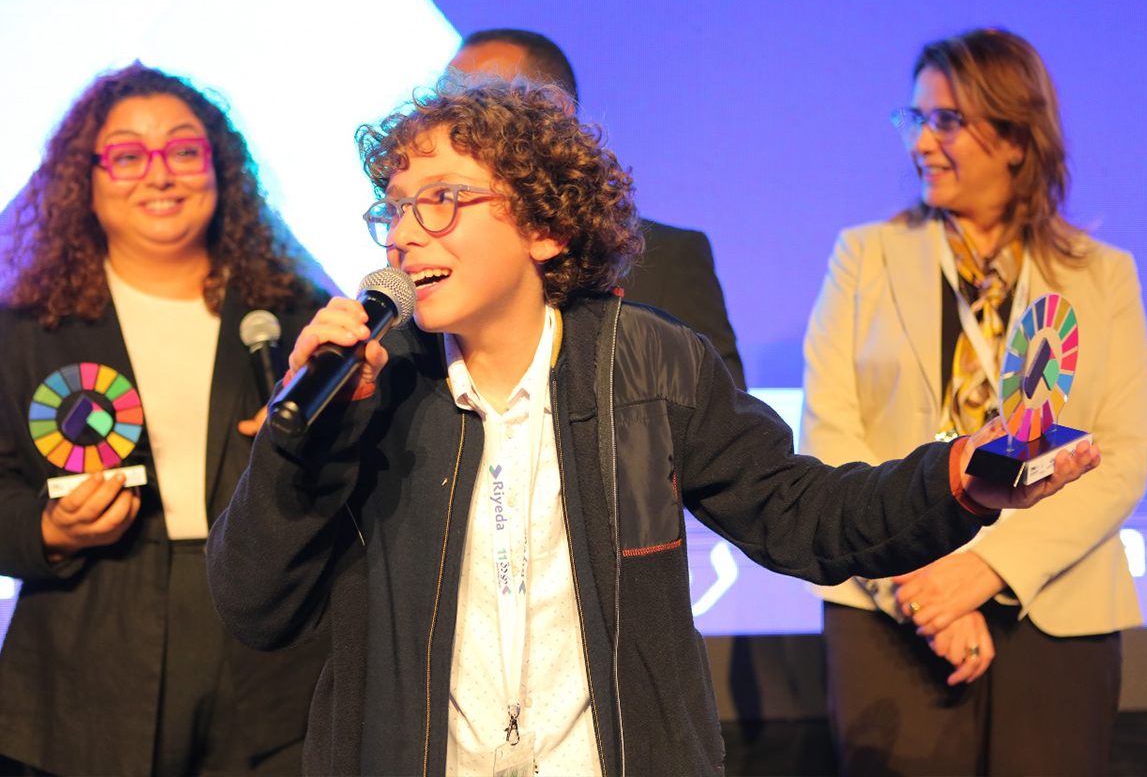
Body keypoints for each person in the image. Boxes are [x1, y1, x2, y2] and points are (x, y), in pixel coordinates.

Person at [205, 72, 1098, 776]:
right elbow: (254, 606)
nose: (404, 234)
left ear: (546, 228)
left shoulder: (652, 363)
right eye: (394, 207)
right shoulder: (371, 387)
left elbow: (804, 516)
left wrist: (954, 479)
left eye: (441, 199)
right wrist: (299, 443)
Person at [799, 29, 1147, 776]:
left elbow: (1120, 454)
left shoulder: (1103, 275)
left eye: (947, 121)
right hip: (894, 611)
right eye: (916, 119)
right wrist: (924, 589)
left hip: (1058, 607)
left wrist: (987, 570)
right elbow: (831, 438)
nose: (922, 142)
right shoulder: (862, 256)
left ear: (1017, 139)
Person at [0, 64, 329, 776]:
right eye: (127, 155)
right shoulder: (23, 330)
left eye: (183, 149)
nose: (160, 174)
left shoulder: (295, 318)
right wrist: (49, 531)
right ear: (83, 179)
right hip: (87, 654)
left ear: (219, 167)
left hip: (270, 658)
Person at [449, 28, 747, 389]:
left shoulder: (668, 262)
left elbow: (720, 411)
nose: (450, 119)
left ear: (553, 108)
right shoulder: (428, 268)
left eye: (479, 99)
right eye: (445, 99)